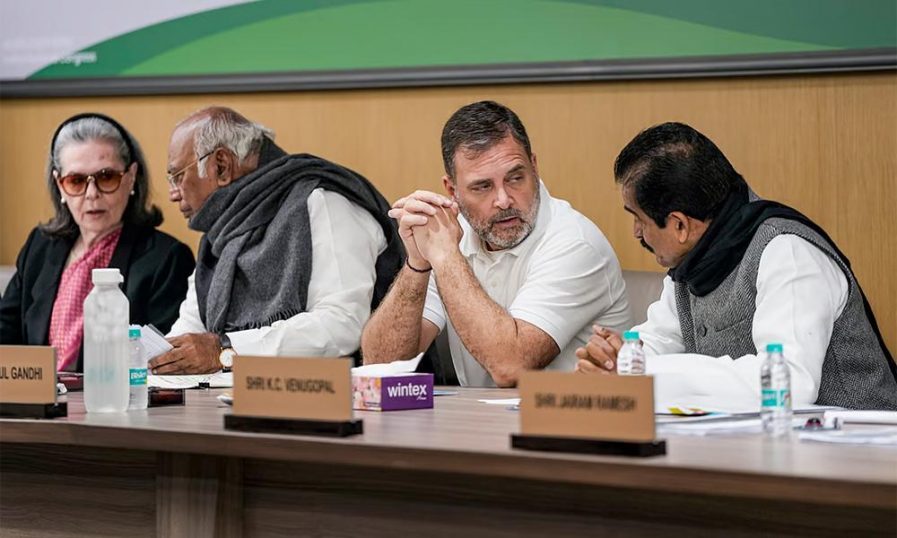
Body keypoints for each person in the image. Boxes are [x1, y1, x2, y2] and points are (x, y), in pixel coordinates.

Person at [576, 122, 897, 410]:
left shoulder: (787, 252)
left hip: (859, 448)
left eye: (639, 219)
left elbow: (789, 382)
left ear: (680, 225)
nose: (636, 232)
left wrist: (645, 372)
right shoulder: (691, 264)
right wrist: (615, 361)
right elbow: (659, 340)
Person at [361, 101, 631, 388]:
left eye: (515, 178)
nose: (503, 200)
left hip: (566, 415)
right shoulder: (451, 237)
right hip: (478, 415)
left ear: (534, 167)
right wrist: (417, 264)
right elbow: (379, 365)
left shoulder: (575, 243)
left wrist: (446, 257)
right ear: (452, 190)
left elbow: (510, 367)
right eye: (483, 186)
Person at [151, 106, 403, 375]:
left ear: (221, 166)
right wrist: (157, 358)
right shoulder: (220, 235)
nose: (173, 194)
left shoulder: (322, 203)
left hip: (337, 394)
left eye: (177, 176)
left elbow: (343, 325)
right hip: (235, 395)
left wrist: (226, 350)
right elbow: (191, 330)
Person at [0, 113, 195, 372]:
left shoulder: (167, 258)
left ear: (131, 177)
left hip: (119, 394)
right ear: (60, 185)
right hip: (35, 395)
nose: (92, 194)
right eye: (76, 181)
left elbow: (162, 361)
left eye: (106, 177)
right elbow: (6, 333)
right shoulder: (40, 247)